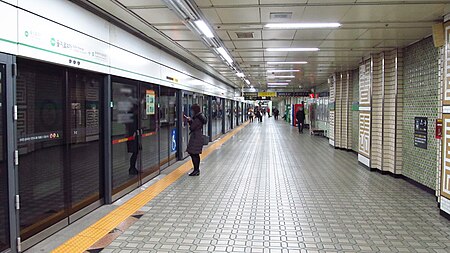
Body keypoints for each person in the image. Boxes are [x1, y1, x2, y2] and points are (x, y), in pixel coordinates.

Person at [185, 104, 207, 176]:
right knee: (195, 154)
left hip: (196, 138)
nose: (192, 112)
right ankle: (196, 169)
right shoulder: (200, 117)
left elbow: (192, 128)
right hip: (198, 137)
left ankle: (196, 170)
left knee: (193, 154)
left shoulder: (197, 119)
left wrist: (190, 121)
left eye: (192, 110)